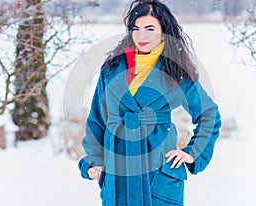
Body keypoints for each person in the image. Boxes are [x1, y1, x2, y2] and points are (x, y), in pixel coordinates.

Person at [78, 0, 221, 205]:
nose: (141, 36)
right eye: (136, 28)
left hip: (158, 178)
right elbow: (97, 120)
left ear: (164, 31)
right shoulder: (111, 68)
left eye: (150, 28)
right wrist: (95, 160)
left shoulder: (176, 70)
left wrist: (193, 152)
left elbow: (209, 115)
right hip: (118, 177)